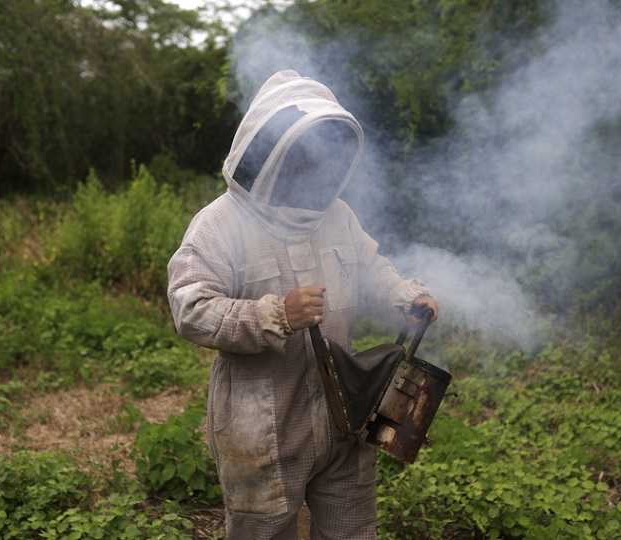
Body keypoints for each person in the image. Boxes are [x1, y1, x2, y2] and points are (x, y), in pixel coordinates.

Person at [167, 69, 438, 540]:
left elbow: (371, 266)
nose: (314, 170)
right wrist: (272, 314)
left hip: (346, 413)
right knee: (264, 532)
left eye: (322, 159)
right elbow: (190, 307)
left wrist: (404, 296)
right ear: (268, 153)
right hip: (262, 425)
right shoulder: (218, 225)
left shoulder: (336, 216)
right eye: (302, 157)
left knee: (352, 530)